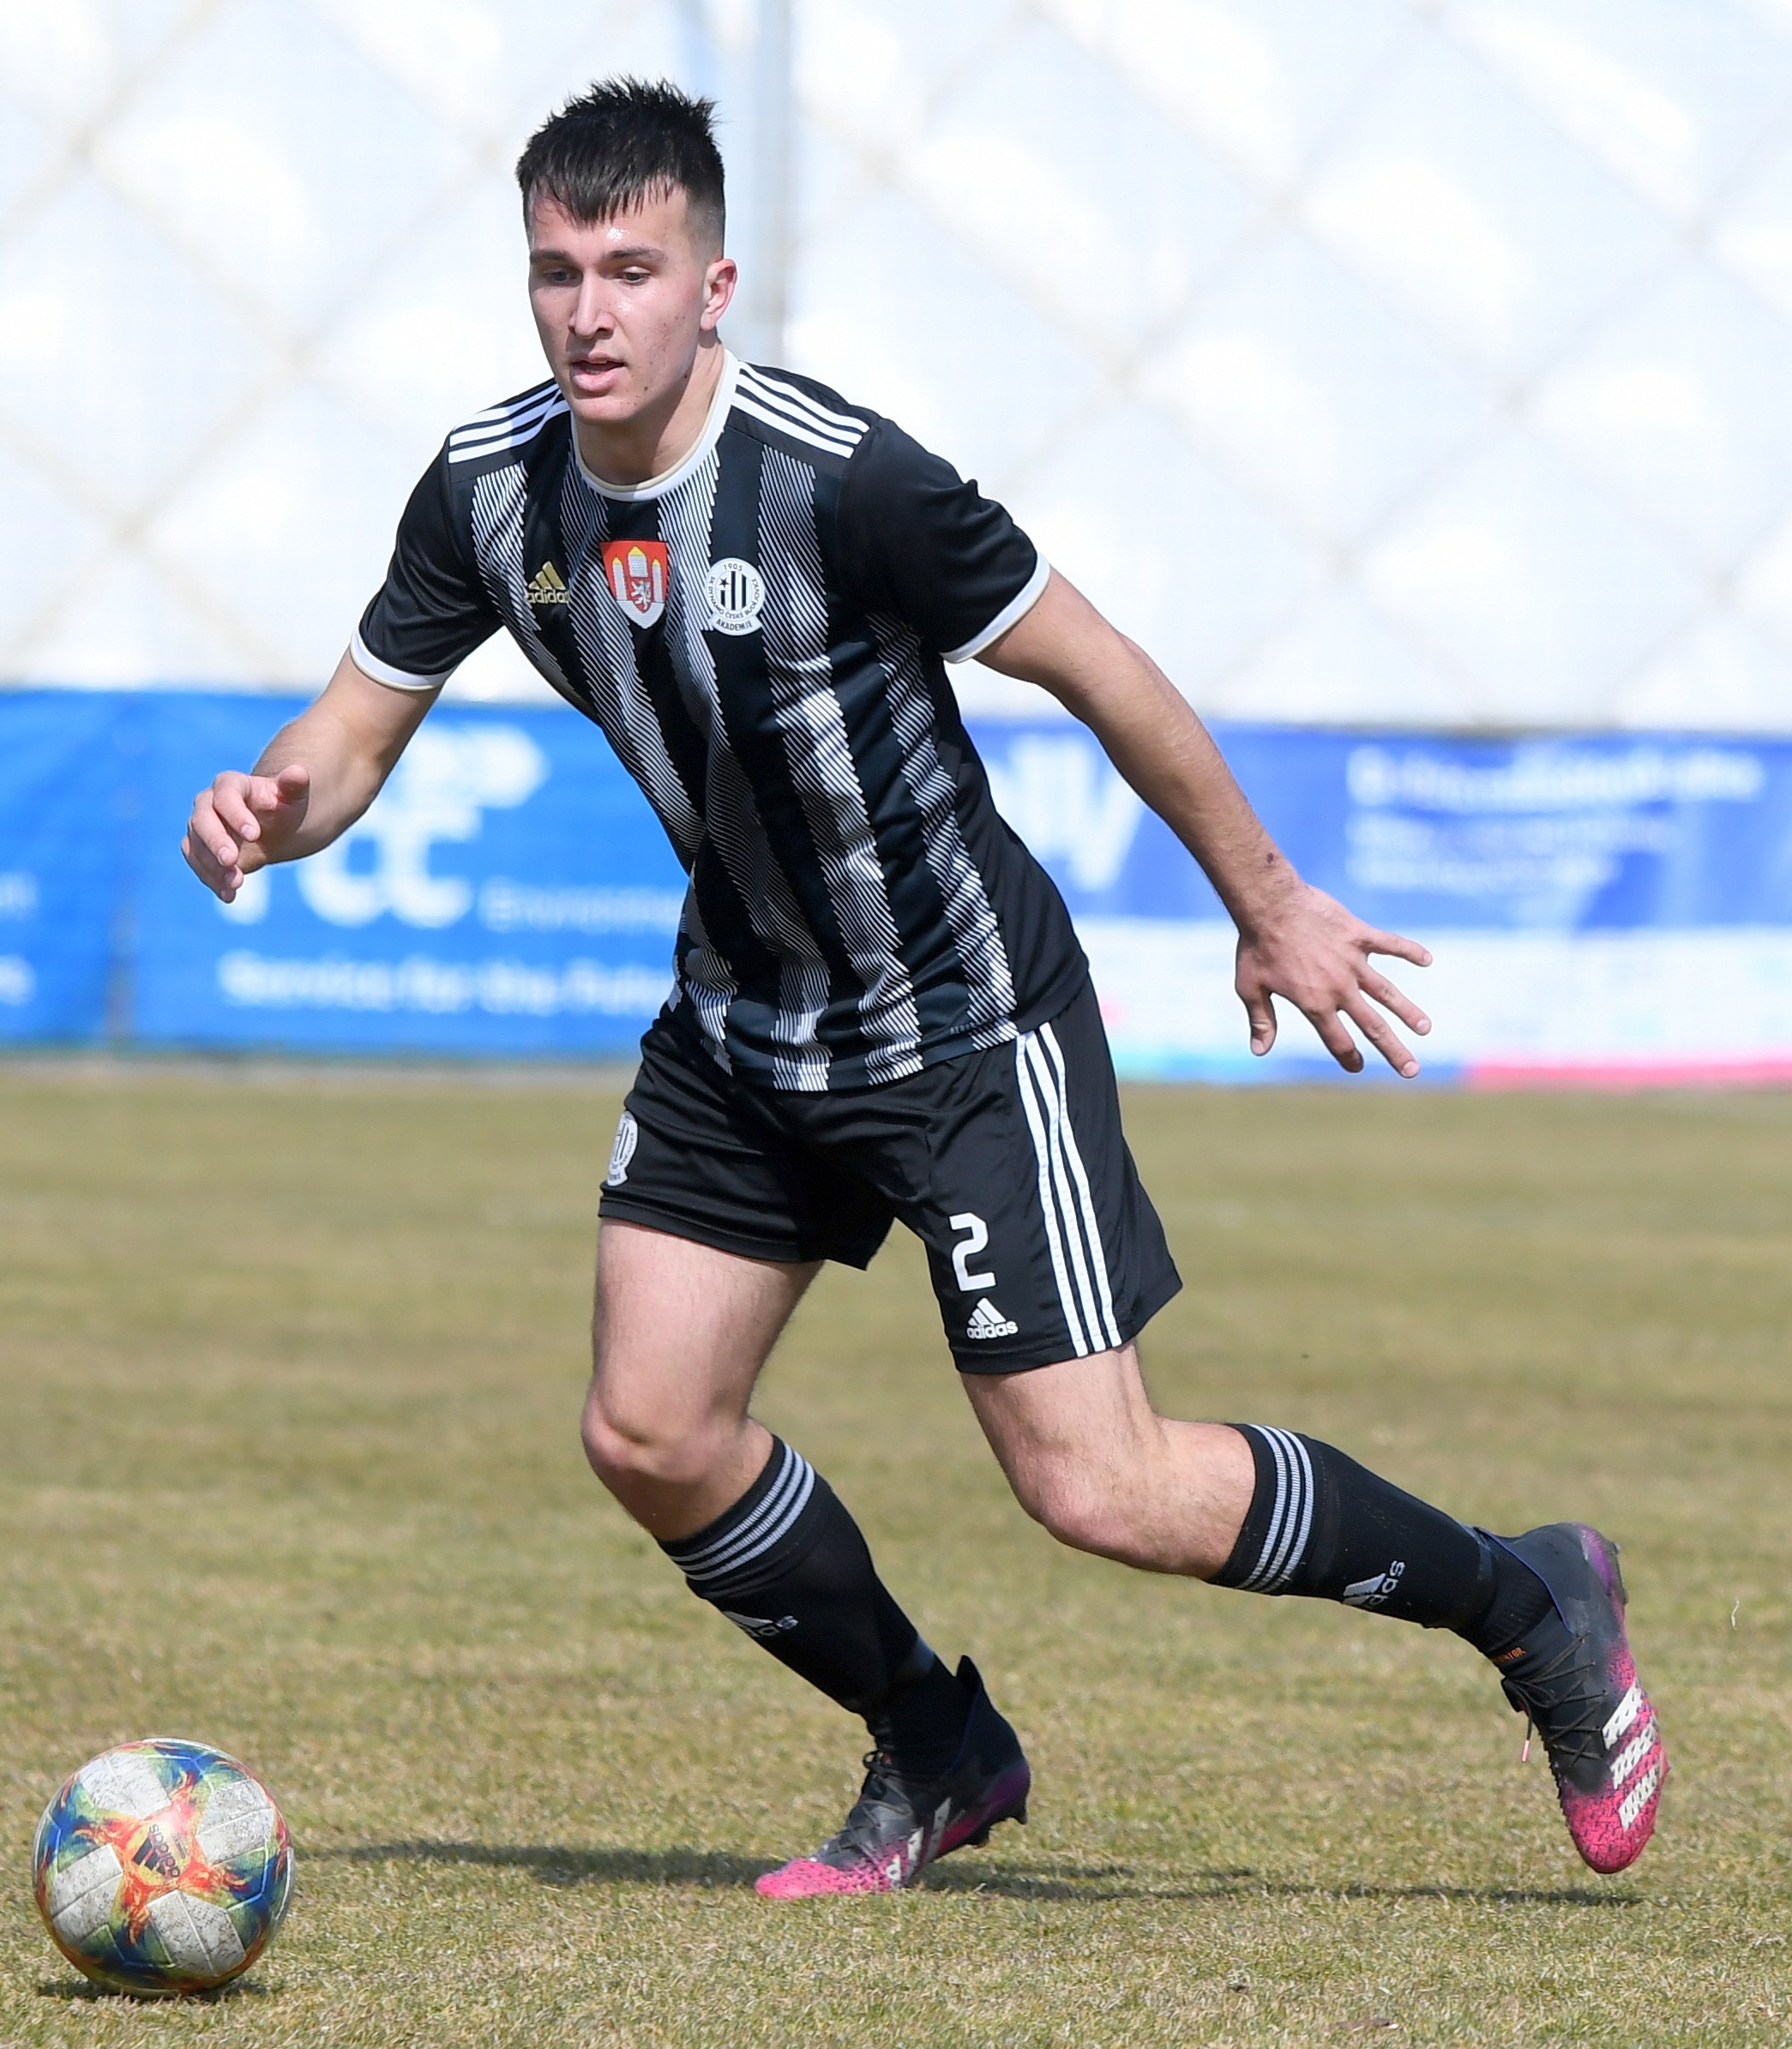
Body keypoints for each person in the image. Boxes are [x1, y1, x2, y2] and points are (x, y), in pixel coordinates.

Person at [182, 79, 1665, 1895]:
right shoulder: (488, 492)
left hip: (961, 1021)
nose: (588, 311)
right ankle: (934, 1743)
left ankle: (1529, 1601)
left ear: (710, 287)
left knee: (1097, 1489)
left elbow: (1098, 665)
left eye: (629, 270)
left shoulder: (839, 475)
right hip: (743, 1019)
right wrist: (275, 808)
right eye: (556, 273)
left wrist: (1267, 901)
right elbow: (345, 739)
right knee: (647, 1431)